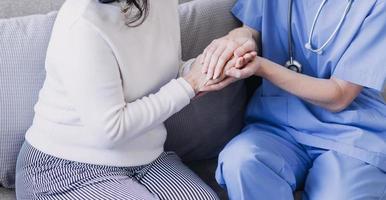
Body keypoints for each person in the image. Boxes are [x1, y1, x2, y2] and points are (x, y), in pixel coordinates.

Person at [14, 0, 257, 199]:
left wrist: (211, 68)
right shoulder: (83, 23)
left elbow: (163, 72)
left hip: (146, 159)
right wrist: (189, 85)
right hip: (65, 168)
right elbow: (111, 129)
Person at [200, 0, 386, 199]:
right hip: (278, 124)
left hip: (348, 131)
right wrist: (238, 41)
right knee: (241, 161)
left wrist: (262, 67)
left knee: (342, 194)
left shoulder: (377, 5)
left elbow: (339, 96)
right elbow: (250, 30)